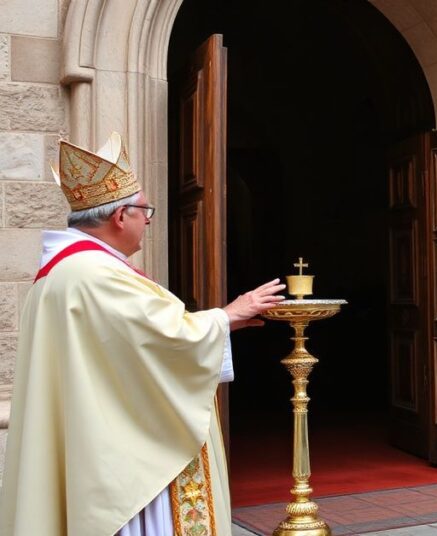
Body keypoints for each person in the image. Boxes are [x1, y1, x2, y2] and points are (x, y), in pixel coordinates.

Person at [0, 133, 286, 536]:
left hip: (98, 441)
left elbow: (139, 338)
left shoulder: (66, 273)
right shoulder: (96, 275)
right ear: (120, 216)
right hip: (129, 468)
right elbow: (166, 339)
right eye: (143, 210)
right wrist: (226, 316)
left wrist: (221, 321)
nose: (148, 219)